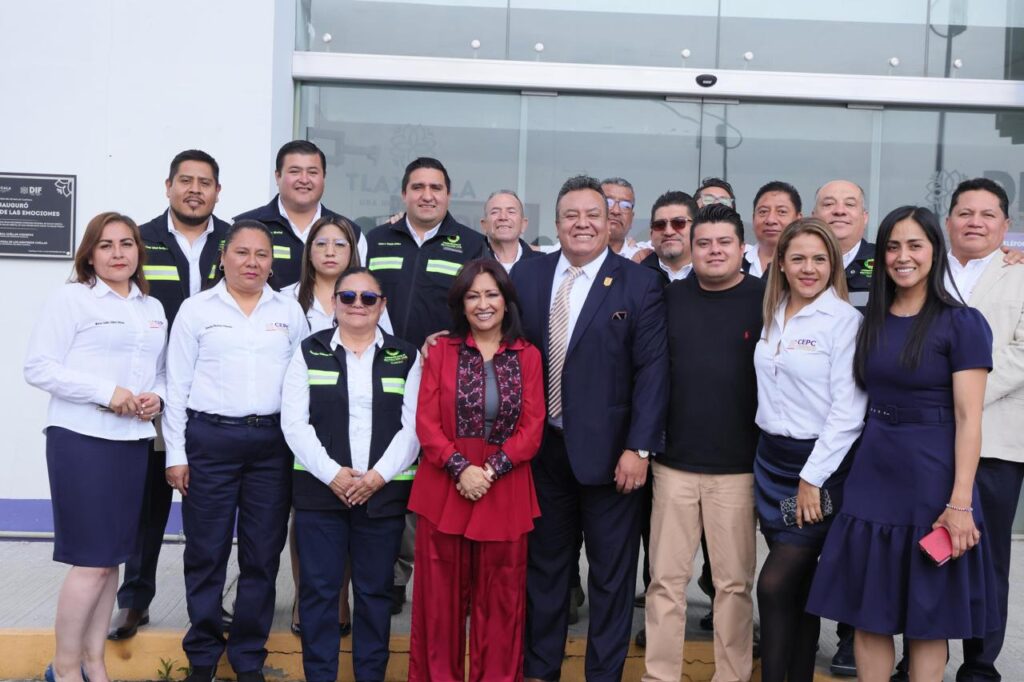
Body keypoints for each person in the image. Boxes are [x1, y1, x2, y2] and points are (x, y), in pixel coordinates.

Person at [807, 205, 999, 682]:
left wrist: (960, 502)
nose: (902, 256)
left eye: (915, 245)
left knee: (928, 619)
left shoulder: (962, 322)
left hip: (933, 481)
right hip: (873, 473)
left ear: (935, 251)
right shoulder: (868, 320)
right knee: (869, 614)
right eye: (892, 246)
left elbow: (969, 419)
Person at [512, 175, 668, 682]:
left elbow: (653, 372)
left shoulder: (639, 283)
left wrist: (639, 449)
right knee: (545, 573)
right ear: (557, 223)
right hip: (543, 455)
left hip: (612, 460)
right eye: (571, 216)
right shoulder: (529, 276)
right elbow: (504, 345)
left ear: (610, 222)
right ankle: (541, 671)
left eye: (592, 215)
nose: (582, 224)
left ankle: (603, 675)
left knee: (610, 579)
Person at [25, 212, 167, 682]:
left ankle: (94, 663)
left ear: (138, 252)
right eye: (106, 245)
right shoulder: (72, 299)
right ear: (89, 255)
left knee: (111, 563)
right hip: (81, 441)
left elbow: (160, 372)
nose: (118, 253)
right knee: (90, 563)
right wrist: (107, 393)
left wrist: (157, 396)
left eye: (127, 244)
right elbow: (39, 367)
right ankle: (64, 668)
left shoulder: (151, 307)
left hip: (132, 443)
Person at [164, 220, 307, 682]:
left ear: (272, 263)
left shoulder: (289, 311)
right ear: (223, 257)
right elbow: (176, 385)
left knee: (262, 556)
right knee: (205, 554)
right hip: (210, 443)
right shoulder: (196, 310)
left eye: (262, 254)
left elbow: (302, 383)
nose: (252, 262)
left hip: (271, 447)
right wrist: (175, 454)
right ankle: (203, 656)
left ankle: (248, 657)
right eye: (242, 252)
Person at [109, 149, 230, 642]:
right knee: (148, 501)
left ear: (218, 192)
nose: (194, 190)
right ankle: (134, 600)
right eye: (186, 180)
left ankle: (210, 603)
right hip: (155, 393)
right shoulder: (139, 240)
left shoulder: (235, 242)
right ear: (168, 186)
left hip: (218, 394)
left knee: (212, 508)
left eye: (205, 182)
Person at [281, 267, 421, 682]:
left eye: (368, 298)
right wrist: (333, 475)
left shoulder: (406, 356)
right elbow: (294, 423)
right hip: (320, 496)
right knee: (319, 593)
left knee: (375, 594)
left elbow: (413, 428)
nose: (358, 304)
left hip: (382, 498)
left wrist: (376, 477)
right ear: (334, 303)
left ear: (382, 305)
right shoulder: (308, 351)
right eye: (348, 297)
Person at [642, 204, 764, 682]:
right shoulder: (668, 298)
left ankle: (731, 676)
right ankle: (659, 677)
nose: (714, 251)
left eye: (724, 242)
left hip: (737, 469)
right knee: (665, 582)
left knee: (733, 586)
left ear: (741, 248)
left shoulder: (767, 298)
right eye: (705, 243)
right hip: (673, 465)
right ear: (691, 249)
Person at [408, 258, 545, 681]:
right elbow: (426, 422)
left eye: (491, 294)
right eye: (472, 296)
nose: (483, 304)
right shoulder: (440, 351)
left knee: (501, 606)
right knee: (439, 606)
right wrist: (460, 468)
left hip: (504, 490)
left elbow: (533, 428)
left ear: (506, 301)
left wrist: (488, 471)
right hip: (445, 487)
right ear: (461, 304)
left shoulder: (528, 355)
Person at [365, 156, 488, 610]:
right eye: (418, 187)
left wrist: (454, 341)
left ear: (448, 195)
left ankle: (447, 579)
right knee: (390, 471)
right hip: (382, 374)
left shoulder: (471, 243)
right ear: (404, 194)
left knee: (437, 472)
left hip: (445, 378)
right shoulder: (375, 240)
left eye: (436, 187)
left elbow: (483, 308)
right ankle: (393, 576)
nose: (427, 195)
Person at [752, 217, 866, 682]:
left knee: (773, 585)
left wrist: (811, 478)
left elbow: (849, 412)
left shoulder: (845, 321)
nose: (809, 268)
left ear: (833, 264)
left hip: (817, 469)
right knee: (796, 591)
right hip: (770, 463)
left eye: (820, 259)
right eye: (798, 258)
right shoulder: (772, 310)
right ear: (781, 262)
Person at [943, 179, 1024, 682]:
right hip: (928, 439)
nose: (975, 222)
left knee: (987, 556)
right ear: (948, 220)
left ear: (1005, 225)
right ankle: (921, 651)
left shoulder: (1021, 275)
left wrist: (962, 394)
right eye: (965, 212)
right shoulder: (924, 270)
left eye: (987, 214)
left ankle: (979, 663)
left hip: (996, 441)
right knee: (925, 548)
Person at [278, 214, 364, 638]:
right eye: (321, 243)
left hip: (350, 426)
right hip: (296, 425)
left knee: (345, 509)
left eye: (340, 244)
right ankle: (304, 596)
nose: (330, 252)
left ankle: (340, 599)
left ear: (353, 252)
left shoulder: (366, 296)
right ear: (308, 251)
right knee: (305, 515)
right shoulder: (284, 300)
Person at [234, 139, 366, 288]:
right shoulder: (244, 226)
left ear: (324, 177)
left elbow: (359, 289)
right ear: (277, 176)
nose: (304, 180)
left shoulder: (351, 233)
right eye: (295, 171)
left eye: (312, 172)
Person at [745, 181, 802, 278]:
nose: (770, 220)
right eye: (763, 212)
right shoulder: (734, 265)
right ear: (753, 218)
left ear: (798, 220)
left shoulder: (808, 268)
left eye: (782, 212)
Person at [639, 190, 698, 283]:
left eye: (679, 223)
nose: (668, 232)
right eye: (659, 225)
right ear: (651, 235)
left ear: (697, 229)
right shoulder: (634, 277)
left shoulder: (715, 274)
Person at [481, 189, 541, 272]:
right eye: (495, 212)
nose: (503, 217)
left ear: (523, 224)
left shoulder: (543, 264)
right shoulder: (471, 264)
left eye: (511, 212)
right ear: (484, 225)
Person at [602, 177, 643, 259]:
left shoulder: (642, 259)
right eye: (608, 202)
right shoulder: (577, 254)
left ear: (632, 219)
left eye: (625, 205)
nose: (616, 211)